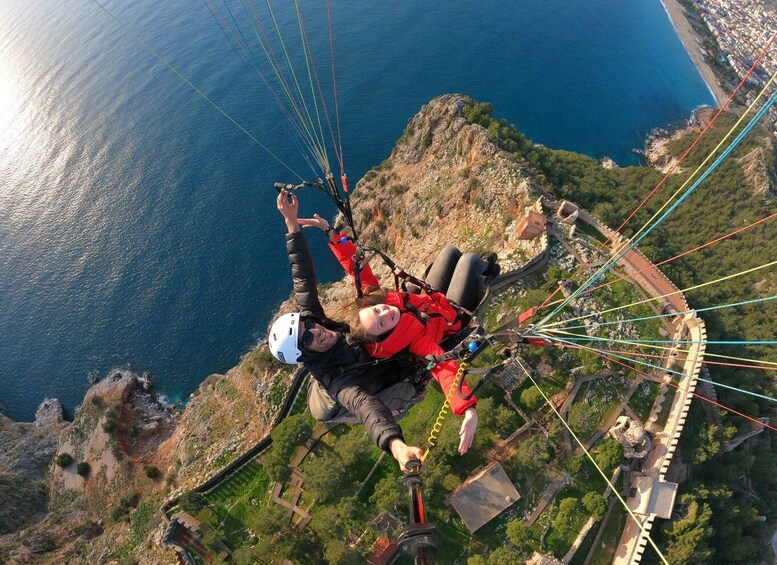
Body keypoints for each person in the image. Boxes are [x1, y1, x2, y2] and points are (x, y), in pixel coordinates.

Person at [298, 213, 499, 455]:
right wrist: (467, 409)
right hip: (451, 318)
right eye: (382, 323)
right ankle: (487, 269)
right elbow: (444, 368)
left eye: (377, 310)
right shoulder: (415, 343)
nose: (385, 313)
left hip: (426, 302)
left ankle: (476, 267)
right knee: (469, 261)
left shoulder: (376, 302)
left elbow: (357, 269)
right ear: (386, 335)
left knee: (449, 252)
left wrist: (332, 233)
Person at [268, 190, 424, 471]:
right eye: (308, 338)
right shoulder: (339, 383)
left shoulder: (315, 323)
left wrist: (291, 225)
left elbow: (302, 278)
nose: (317, 330)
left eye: (310, 325)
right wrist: (397, 447)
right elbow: (368, 410)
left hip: (373, 352)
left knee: (411, 297)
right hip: (384, 376)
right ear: (306, 356)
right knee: (413, 372)